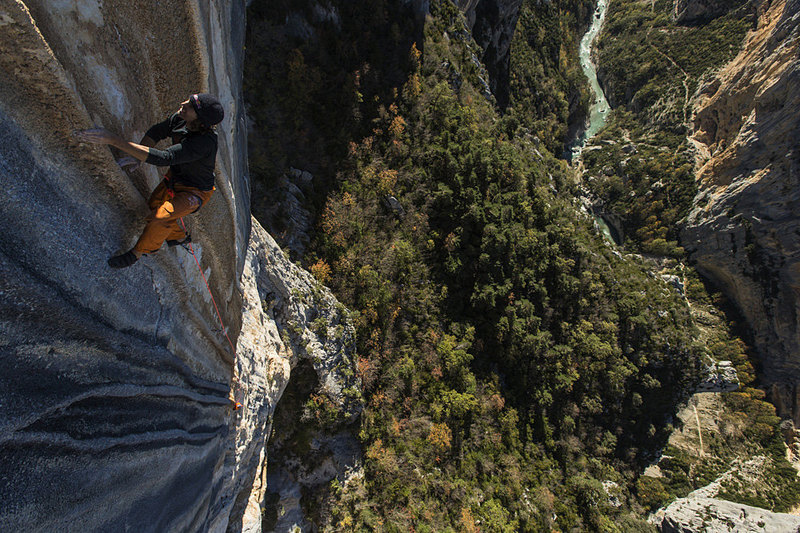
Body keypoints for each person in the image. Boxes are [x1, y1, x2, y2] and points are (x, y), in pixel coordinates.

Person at [76, 93, 224, 268]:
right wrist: (137, 156)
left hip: (195, 192)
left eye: (190, 106)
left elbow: (164, 157)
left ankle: (137, 253)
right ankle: (177, 236)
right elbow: (157, 132)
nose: (183, 103)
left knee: (160, 216)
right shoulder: (181, 119)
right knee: (154, 206)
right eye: (188, 100)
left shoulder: (204, 142)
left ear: (200, 120)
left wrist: (113, 140)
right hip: (175, 180)